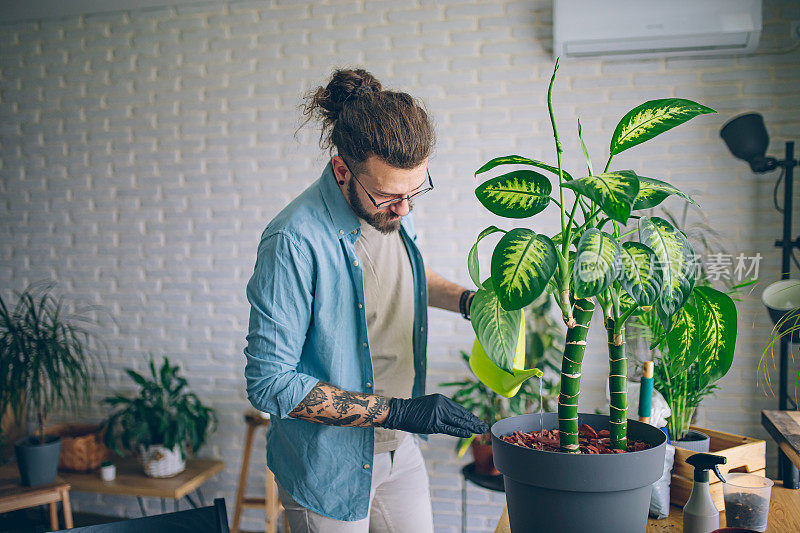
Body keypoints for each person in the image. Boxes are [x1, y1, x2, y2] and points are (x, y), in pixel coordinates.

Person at [244, 68, 487, 533]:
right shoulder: (293, 242)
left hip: (399, 447)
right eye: (390, 196)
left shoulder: (394, 205)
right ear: (342, 171)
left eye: (415, 192)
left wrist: (470, 302)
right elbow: (269, 383)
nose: (405, 210)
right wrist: (396, 409)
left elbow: (406, 277)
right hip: (328, 467)